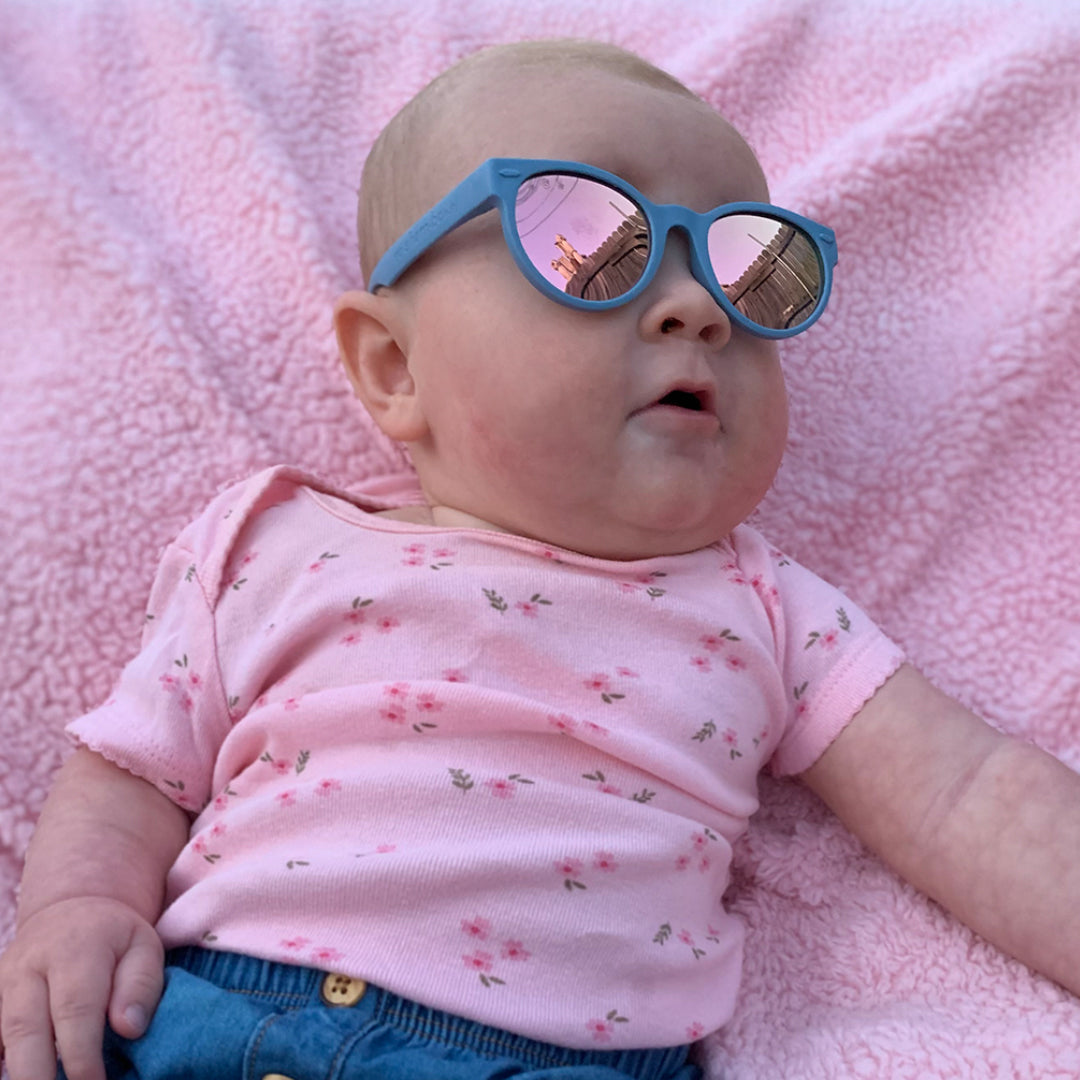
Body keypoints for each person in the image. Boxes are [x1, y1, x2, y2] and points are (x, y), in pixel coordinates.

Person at [1, 37, 1078, 1080]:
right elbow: (134, 766)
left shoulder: (770, 611)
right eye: (588, 243)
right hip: (220, 1017)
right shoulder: (271, 545)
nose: (699, 308)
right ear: (394, 367)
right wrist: (79, 905)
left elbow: (962, 795)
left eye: (754, 273)